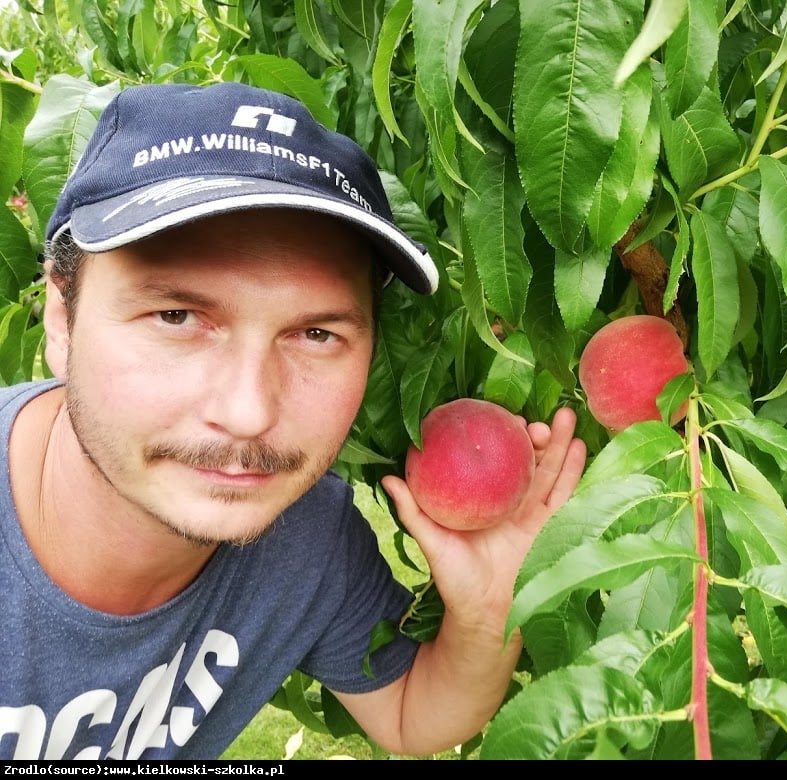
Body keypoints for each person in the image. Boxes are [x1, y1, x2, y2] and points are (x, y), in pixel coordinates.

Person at [0, 81, 588, 760]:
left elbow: (410, 716)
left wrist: (486, 617)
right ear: (61, 320)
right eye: (176, 317)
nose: (249, 414)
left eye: (315, 334)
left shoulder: (306, 537)